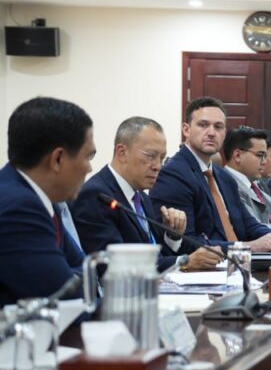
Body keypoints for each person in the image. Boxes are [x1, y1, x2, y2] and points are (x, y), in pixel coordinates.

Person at [72, 117, 221, 272]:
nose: (158, 166)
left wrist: (173, 236)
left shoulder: (142, 197)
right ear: (122, 153)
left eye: (161, 158)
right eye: (150, 156)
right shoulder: (97, 195)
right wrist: (183, 262)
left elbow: (158, 256)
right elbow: (113, 266)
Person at [0, 97, 95, 305]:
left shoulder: (43, 198)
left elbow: (86, 272)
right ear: (58, 159)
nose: (89, 169)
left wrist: (72, 275)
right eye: (88, 157)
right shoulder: (19, 208)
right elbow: (66, 298)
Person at [149, 97, 271, 251]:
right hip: (210, 264)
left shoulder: (224, 177)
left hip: (240, 260)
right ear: (186, 130)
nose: (211, 133)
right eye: (203, 125)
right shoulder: (173, 174)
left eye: (218, 127)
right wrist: (247, 246)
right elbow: (186, 242)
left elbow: (250, 226)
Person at [222, 126, 271, 227]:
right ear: (237, 155)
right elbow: (252, 229)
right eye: (260, 155)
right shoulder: (225, 184)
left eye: (265, 156)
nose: (264, 162)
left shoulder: (258, 184)